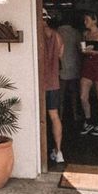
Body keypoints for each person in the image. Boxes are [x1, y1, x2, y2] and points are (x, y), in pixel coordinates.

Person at [43, 9, 65, 163]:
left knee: (37, 116)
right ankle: (58, 151)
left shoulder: (36, 34)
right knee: (54, 116)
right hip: (53, 82)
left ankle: (39, 152)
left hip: (38, 82)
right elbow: (60, 55)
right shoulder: (57, 36)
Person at [57, 14, 82, 122]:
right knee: (74, 93)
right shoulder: (75, 33)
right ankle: (75, 115)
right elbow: (81, 49)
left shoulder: (57, 32)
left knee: (60, 95)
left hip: (60, 66)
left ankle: (60, 115)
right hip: (73, 66)